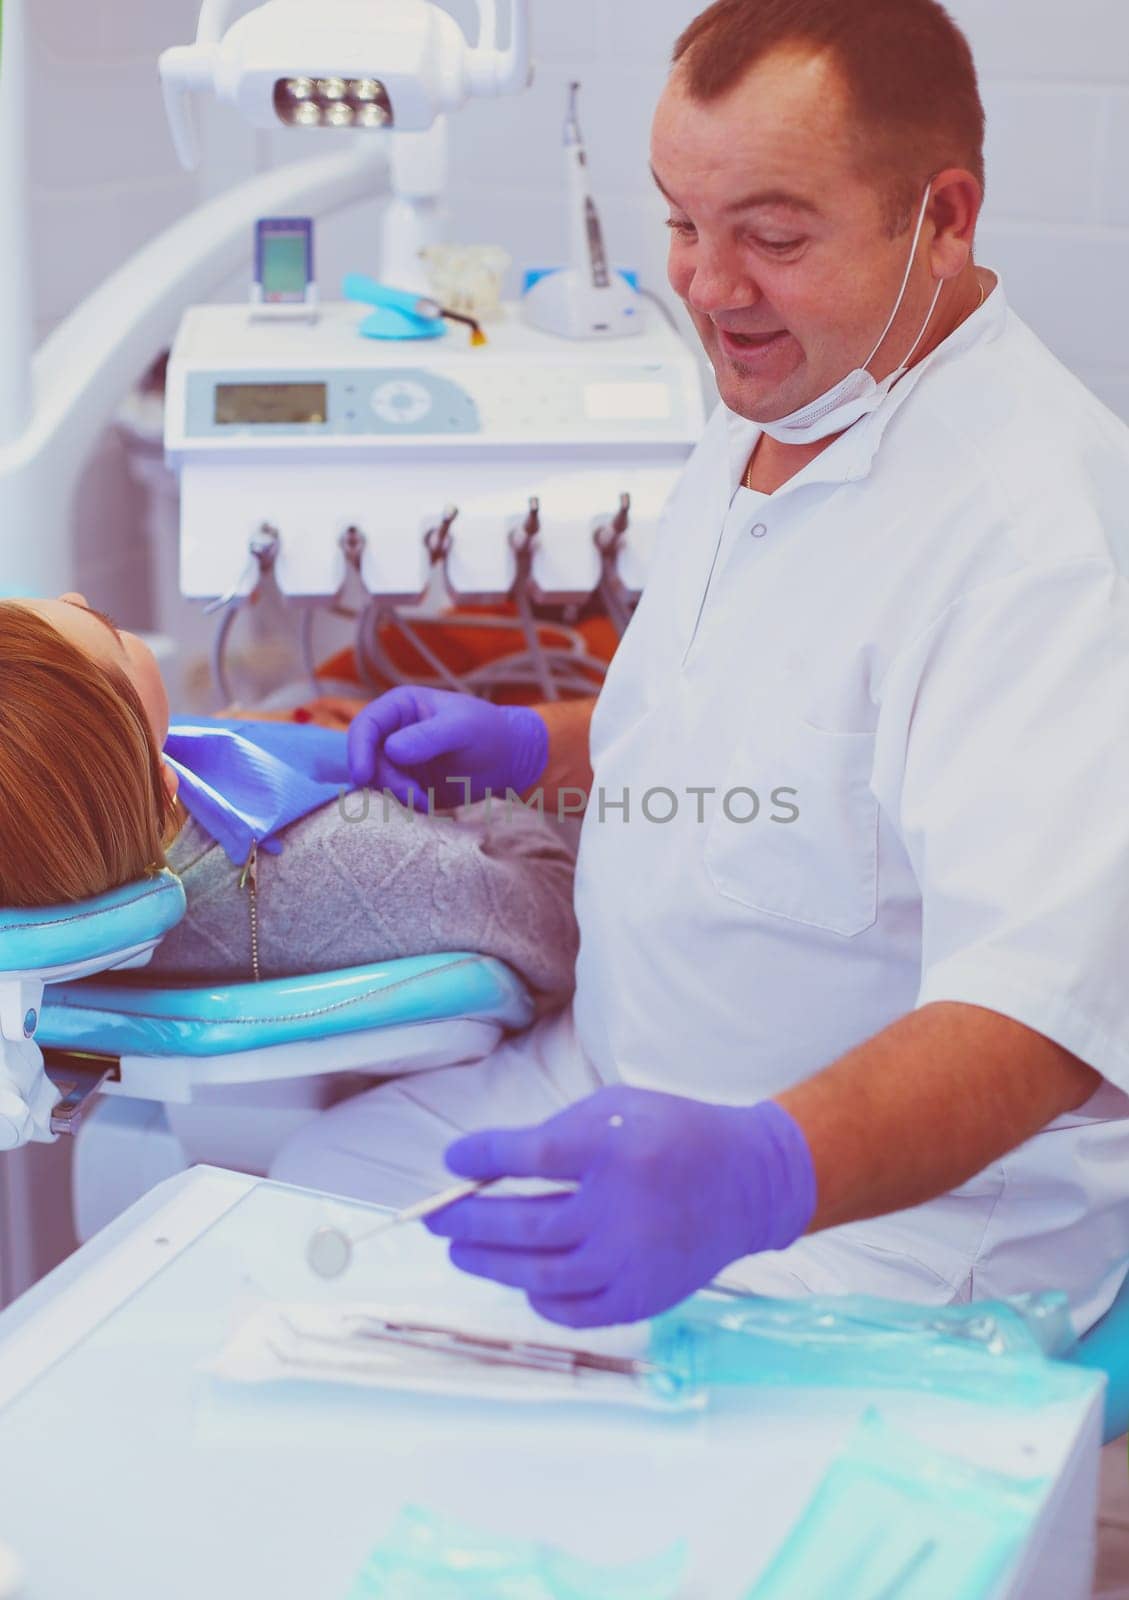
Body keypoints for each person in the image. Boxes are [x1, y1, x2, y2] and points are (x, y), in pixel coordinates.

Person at [269, 0, 1129, 1340]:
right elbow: (750, 717)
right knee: (294, 1213)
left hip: (887, 1225)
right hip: (610, 1076)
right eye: (682, 221)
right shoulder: (783, 393)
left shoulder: (1041, 544)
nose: (711, 285)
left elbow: (1038, 1015)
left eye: (774, 237)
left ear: (942, 217)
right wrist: (535, 746)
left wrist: (761, 1175)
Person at [0, 596, 579, 1008]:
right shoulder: (359, 862)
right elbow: (558, 925)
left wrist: (281, 729)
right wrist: (506, 781)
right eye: (114, 632)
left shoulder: (79, 812)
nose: (72, 593)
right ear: (157, 783)